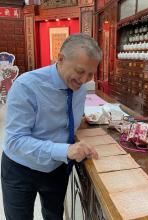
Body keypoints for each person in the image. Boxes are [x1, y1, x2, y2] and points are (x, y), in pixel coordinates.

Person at [1, 33, 101, 220]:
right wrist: (65, 150)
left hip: (56, 168)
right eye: (80, 71)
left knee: (54, 215)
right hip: (21, 168)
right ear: (61, 58)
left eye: (90, 74)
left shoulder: (79, 87)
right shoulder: (27, 86)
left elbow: (68, 117)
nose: (84, 80)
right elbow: (15, 141)